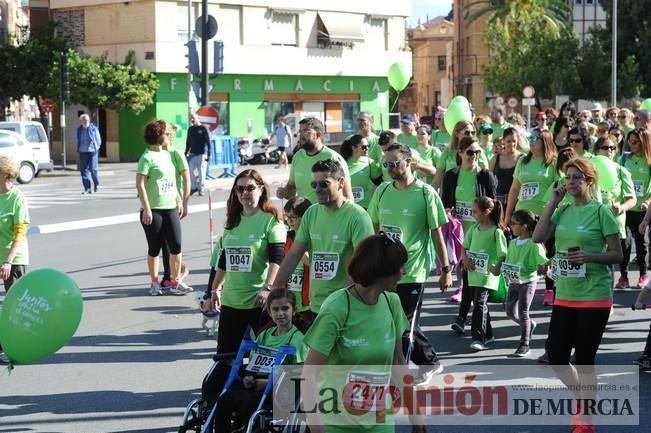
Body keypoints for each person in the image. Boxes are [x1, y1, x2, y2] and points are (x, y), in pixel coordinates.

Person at [532, 158, 622, 433]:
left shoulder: (601, 212)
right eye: (568, 177)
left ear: (590, 181)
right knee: (557, 354)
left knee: (584, 358)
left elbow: (618, 254)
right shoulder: (563, 210)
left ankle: (586, 418)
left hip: (594, 293)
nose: (571, 182)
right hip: (565, 293)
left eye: (577, 178)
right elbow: (537, 237)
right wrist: (553, 203)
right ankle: (583, 400)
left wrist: (589, 256)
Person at [302, 233, 419, 433]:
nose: (404, 272)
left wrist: (415, 416)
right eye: (399, 266)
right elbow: (309, 374)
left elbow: (398, 362)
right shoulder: (337, 307)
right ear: (382, 270)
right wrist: (316, 427)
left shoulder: (392, 303)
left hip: (379, 421)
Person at [367, 143, 452, 384]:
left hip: (414, 270)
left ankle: (417, 369)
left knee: (404, 324)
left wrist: (445, 270)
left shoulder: (426, 193)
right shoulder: (382, 191)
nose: (390, 168)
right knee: (390, 322)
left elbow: (437, 234)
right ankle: (425, 362)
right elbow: (374, 228)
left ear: (409, 162)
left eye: (394, 163)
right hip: (385, 271)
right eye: (386, 164)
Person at [272, 159, 374, 326]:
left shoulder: (358, 217)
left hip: (347, 305)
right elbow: (295, 253)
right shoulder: (312, 213)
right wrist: (276, 285)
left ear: (341, 182)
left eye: (324, 184)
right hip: (317, 305)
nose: (317, 189)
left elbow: (363, 264)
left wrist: (344, 299)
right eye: (314, 184)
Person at [209, 169, 286, 354]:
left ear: (260, 189)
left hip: (259, 301)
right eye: (240, 189)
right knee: (225, 355)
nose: (244, 193)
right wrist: (214, 288)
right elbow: (225, 258)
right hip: (231, 300)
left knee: (265, 354)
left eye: (250, 188)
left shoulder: (271, 220)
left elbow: (278, 258)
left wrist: (268, 289)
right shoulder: (233, 221)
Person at [212, 289, 306, 433]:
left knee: (248, 405)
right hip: (255, 383)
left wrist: (270, 382)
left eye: (285, 308)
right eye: (276, 309)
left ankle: (242, 428)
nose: (280, 313)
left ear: (293, 311)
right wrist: (248, 377)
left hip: (280, 387)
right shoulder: (264, 335)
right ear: (269, 312)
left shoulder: (297, 338)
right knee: (224, 400)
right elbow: (254, 363)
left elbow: (300, 371)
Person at [441, 136, 497, 306]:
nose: (474, 156)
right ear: (460, 152)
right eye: (470, 152)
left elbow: (493, 203)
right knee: (462, 264)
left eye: (477, 152)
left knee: (473, 268)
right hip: (459, 230)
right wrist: (450, 210)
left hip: (479, 230)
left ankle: (471, 306)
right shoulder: (451, 175)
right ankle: (466, 296)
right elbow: (445, 201)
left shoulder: (485, 176)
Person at [136, 120, 188, 296]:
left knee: (176, 244)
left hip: (170, 207)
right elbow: (140, 184)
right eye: (166, 133)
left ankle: (176, 281)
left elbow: (171, 182)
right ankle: (154, 283)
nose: (169, 136)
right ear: (158, 136)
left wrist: (179, 200)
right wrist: (147, 208)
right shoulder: (147, 157)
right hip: (154, 209)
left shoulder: (166, 155)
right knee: (155, 248)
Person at [461, 197, 507, 351]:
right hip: (473, 274)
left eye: (475, 212)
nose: (472, 214)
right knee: (480, 304)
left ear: (487, 212)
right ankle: (489, 335)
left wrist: (498, 266)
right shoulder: (473, 229)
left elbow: (503, 254)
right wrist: (465, 260)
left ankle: (477, 338)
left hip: (487, 276)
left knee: (479, 304)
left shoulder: (496, 232)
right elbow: (464, 247)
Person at [593, 136, 636, 290]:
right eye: (605, 147)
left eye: (612, 147)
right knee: (593, 263)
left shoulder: (621, 170)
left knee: (608, 264)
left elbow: (632, 199)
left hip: (613, 223)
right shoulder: (589, 170)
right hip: (592, 221)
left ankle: (607, 300)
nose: (609, 151)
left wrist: (622, 207)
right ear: (597, 150)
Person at [276, 117, 353, 204]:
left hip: (327, 215)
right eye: (300, 131)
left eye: (305, 131)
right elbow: (291, 188)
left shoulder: (333, 158)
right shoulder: (298, 156)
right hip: (304, 216)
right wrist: (285, 192)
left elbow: (348, 196)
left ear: (318, 135)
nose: (301, 135)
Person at [503, 209, 548, 357]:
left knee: (523, 311)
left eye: (514, 223)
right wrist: (505, 272)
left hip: (527, 281)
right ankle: (529, 325)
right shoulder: (512, 243)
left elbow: (543, 264)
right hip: (514, 282)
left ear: (525, 226)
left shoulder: (534, 244)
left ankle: (525, 343)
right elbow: (508, 261)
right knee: (509, 311)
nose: (511, 226)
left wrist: (543, 268)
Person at [0, 155, 29, 364]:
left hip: (14, 259)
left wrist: (8, 261)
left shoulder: (18, 198)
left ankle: (14, 346)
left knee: (14, 306)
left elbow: (20, 234)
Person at [160, 123, 192, 291]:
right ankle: (170, 275)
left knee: (172, 242)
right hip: (159, 204)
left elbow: (187, 180)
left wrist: (185, 202)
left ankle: (174, 275)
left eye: (164, 133)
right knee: (163, 242)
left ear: (170, 136)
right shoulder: (156, 154)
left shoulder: (176, 154)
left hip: (174, 203)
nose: (161, 136)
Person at [505, 127, 559, 227]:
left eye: (534, 138)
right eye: (530, 138)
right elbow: (515, 189)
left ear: (544, 141)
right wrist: (508, 215)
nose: (531, 141)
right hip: (520, 216)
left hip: (543, 217)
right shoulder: (522, 161)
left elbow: (560, 190)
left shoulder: (554, 162)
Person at [623, 128, 651, 288]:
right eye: (630, 141)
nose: (631, 145)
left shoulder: (648, 161)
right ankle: (623, 276)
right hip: (627, 207)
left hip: (643, 209)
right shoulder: (626, 159)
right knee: (624, 243)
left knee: (641, 244)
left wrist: (647, 201)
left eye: (635, 141)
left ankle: (643, 275)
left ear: (643, 142)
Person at [282, 196, 313, 332]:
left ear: (306, 218)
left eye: (293, 218)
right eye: (287, 218)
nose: (289, 222)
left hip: (309, 304)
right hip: (289, 302)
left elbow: (313, 264)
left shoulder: (314, 239)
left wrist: (298, 250)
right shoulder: (287, 237)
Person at [433, 120, 489, 190]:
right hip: (450, 196)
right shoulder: (449, 150)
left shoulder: (478, 151)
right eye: (467, 133)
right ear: (456, 134)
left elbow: (486, 177)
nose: (470, 135)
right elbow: (436, 181)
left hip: (472, 195)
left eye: (473, 132)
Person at [339, 134, 382, 209]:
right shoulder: (342, 163)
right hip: (349, 207)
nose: (367, 149)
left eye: (368, 146)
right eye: (364, 147)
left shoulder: (369, 162)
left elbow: (379, 179)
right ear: (354, 148)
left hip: (368, 206)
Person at [489, 127, 522, 205]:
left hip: (516, 200)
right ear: (503, 141)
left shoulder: (522, 158)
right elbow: (488, 180)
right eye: (509, 141)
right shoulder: (496, 158)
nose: (512, 144)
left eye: (514, 141)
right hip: (498, 200)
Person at [185, 113, 211, 196]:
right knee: (191, 171)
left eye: (193, 118)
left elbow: (208, 142)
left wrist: (209, 154)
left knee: (201, 172)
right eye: (191, 118)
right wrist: (186, 153)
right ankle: (194, 187)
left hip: (201, 154)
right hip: (192, 153)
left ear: (198, 119)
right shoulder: (190, 129)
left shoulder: (203, 128)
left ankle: (201, 188)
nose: (192, 120)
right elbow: (188, 142)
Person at [76, 113, 102, 194]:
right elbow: (77, 139)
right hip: (82, 151)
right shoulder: (79, 129)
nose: (85, 121)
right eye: (84, 120)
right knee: (84, 171)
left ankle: (96, 184)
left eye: (87, 120)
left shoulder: (93, 128)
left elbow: (98, 140)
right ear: (81, 121)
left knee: (93, 169)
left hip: (92, 151)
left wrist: (96, 148)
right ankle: (87, 188)